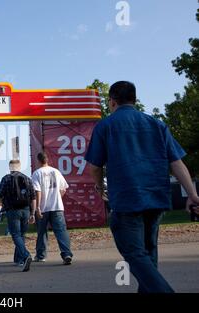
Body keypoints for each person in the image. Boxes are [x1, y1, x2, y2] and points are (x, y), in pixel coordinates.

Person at [85, 81, 199, 293]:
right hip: (156, 198)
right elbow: (176, 162)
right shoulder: (157, 124)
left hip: (127, 199)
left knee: (134, 253)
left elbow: (94, 166)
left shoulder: (106, 126)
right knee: (148, 253)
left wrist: (100, 187)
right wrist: (192, 194)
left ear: (111, 101)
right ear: (134, 100)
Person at [32, 152, 73, 265]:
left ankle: (41, 256)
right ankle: (66, 254)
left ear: (38, 161)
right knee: (61, 231)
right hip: (57, 206)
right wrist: (57, 198)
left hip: (44, 208)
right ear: (47, 160)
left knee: (42, 232)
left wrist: (38, 208)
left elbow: (38, 191)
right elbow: (63, 189)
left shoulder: (36, 173)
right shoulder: (56, 171)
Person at [0, 160, 36, 272]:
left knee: (15, 235)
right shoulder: (27, 179)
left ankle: (25, 255)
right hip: (26, 210)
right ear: (20, 167)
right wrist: (33, 213)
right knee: (22, 235)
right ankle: (19, 260)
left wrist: (3, 202)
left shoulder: (6, 178)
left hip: (12, 210)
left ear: (10, 167)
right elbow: (33, 197)